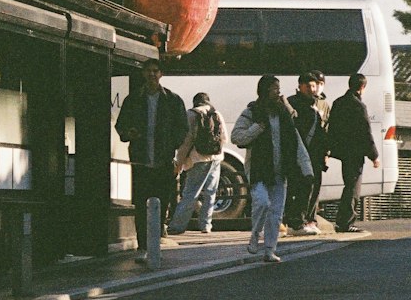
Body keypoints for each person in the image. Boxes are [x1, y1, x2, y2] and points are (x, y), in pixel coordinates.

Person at [231, 74, 312, 263]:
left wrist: (306, 168)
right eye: (275, 88)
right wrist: (257, 128)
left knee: (276, 212)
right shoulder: (252, 111)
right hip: (259, 169)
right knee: (262, 202)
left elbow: (296, 141)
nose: (278, 91)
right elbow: (237, 137)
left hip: (281, 170)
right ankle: (254, 235)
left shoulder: (283, 113)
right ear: (265, 90)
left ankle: (269, 249)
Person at [116, 59, 189, 258]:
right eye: (148, 71)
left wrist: (172, 143)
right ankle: (143, 247)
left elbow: (183, 127)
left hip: (163, 160)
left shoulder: (172, 100)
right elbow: (120, 126)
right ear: (143, 73)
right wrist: (128, 133)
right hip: (141, 160)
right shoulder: (133, 99)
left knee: (161, 203)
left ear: (161, 74)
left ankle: (154, 245)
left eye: (156, 71)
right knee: (141, 204)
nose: (152, 75)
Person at [326, 71, 380, 234]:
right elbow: (365, 132)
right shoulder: (358, 106)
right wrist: (374, 155)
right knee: (353, 188)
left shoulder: (338, 102)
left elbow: (332, 127)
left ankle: (343, 221)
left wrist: (330, 149)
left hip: (342, 151)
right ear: (362, 87)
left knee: (348, 184)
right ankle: (346, 222)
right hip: (355, 152)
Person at [168, 91, 225, 235]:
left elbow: (186, 142)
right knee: (211, 193)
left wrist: (179, 163)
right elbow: (224, 138)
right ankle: (206, 225)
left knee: (191, 193)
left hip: (198, 158)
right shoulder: (216, 113)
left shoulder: (192, 114)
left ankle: (177, 226)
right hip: (216, 158)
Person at [284, 70, 331, 235]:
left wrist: (326, 153)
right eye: (309, 85)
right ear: (300, 86)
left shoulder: (321, 104)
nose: (312, 89)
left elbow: (326, 130)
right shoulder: (291, 103)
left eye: (314, 85)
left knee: (312, 187)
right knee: (297, 186)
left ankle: (308, 219)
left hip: (316, 153)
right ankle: (295, 221)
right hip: (297, 152)